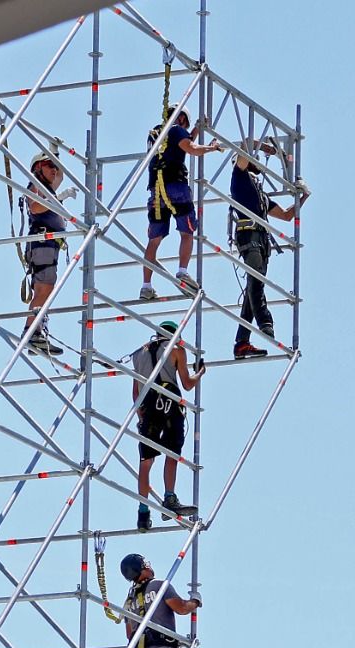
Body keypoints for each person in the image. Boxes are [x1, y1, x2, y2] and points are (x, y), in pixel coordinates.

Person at [229, 137, 306, 359]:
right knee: (256, 283)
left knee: (251, 292)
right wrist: (263, 146)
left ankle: (242, 342)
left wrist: (303, 196)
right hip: (249, 236)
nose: (257, 163)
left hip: (261, 242)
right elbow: (244, 145)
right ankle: (265, 321)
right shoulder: (239, 178)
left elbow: (286, 215)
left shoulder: (260, 195)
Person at [140, 111, 220, 302]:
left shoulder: (157, 133)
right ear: (180, 119)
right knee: (187, 231)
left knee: (154, 240)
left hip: (156, 190)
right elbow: (190, 147)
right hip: (175, 186)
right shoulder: (175, 130)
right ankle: (182, 271)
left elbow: (182, 143)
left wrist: (197, 129)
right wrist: (211, 148)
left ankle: (146, 286)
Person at [130, 321, 203, 531]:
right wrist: (200, 373)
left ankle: (143, 513)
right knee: (172, 454)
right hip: (169, 403)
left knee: (146, 461)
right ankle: (169, 497)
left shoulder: (139, 354)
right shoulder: (177, 350)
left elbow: (136, 392)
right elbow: (188, 384)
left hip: (147, 404)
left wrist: (141, 414)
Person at [22, 153, 75, 356]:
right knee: (43, 289)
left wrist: (55, 151)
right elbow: (35, 206)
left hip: (49, 245)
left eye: (54, 166)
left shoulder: (48, 189)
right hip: (41, 242)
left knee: (46, 289)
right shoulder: (34, 186)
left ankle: (36, 330)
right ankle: (32, 332)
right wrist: (59, 198)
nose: (54, 170)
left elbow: (60, 175)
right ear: (38, 168)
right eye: (49, 165)